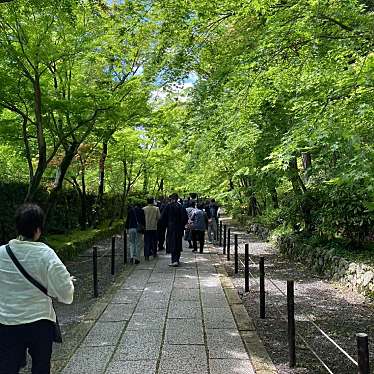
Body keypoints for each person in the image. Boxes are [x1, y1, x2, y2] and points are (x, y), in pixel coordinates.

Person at [0, 203, 74, 374]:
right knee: (41, 367)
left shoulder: (2, 253)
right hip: (39, 322)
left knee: (7, 367)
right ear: (38, 229)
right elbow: (65, 292)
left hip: (7, 322)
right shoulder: (46, 254)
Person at [160, 193, 188, 267]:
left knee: (172, 243)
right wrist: (182, 225)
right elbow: (185, 218)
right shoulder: (181, 206)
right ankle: (177, 259)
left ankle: (174, 260)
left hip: (171, 227)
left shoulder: (168, 206)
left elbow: (162, 217)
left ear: (171, 198)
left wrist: (165, 225)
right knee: (178, 243)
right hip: (179, 228)